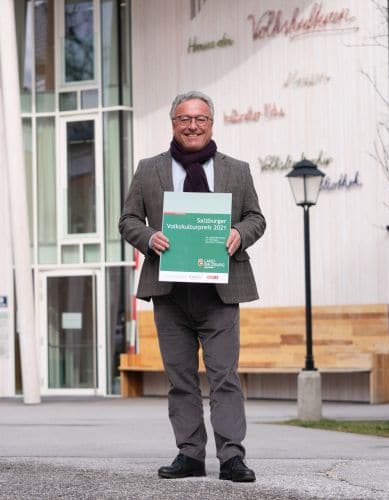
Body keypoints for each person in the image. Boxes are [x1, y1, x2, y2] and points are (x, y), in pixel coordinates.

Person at [119, 91, 265, 482]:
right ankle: (190, 454)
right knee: (180, 378)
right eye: (184, 119)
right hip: (170, 292)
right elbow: (128, 220)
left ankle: (232, 457)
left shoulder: (237, 169)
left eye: (200, 119)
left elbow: (256, 218)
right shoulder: (149, 169)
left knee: (224, 377)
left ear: (211, 124)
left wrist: (239, 232)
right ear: (173, 124)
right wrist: (149, 237)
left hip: (220, 292)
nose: (192, 125)